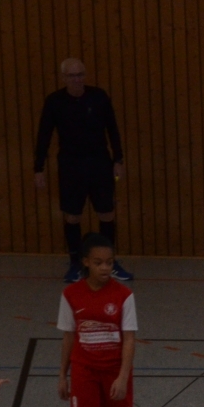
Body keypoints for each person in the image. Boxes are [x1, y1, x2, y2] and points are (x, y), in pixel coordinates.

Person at [56, 234, 137, 407]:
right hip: (84, 372)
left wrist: (123, 377)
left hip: (113, 372)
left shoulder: (124, 296)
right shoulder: (71, 295)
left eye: (110, 262)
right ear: (86, 262)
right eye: (99, 263)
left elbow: (129, 339)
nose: (105, 268)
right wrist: (63, 375)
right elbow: (68, 336)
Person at [34, 59, 131, 284]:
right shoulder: (55, 102)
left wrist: (118, 159)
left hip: (99, 162)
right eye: (72, 76)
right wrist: (38, 168)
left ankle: (110, 263)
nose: (77, 79)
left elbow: (113, 129)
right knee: (72, 215)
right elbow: (44, 135)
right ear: (64, 78)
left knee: (106, 212)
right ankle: (76, 264)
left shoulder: (98, 96)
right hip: (70, 165)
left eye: (80, 74)